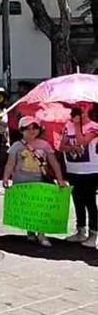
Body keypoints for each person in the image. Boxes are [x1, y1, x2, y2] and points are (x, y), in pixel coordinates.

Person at [2, 116, 66, 247]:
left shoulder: (44, 145)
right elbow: (10, 163)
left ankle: (41, 234)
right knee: (28, 207)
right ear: (21, 130)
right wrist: (5, 177)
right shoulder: (16, 146)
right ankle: (30, 231)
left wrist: (60, 179)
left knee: (41, 207)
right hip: (21, 182)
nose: (31, 131)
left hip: (40, 181)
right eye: (27, 128)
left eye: (34, 127)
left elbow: (54, 162)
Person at [62, 105, 98, 246]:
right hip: (73, 169)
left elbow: (83, 141)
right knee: (78, 200)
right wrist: (71, 147)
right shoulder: (67, 126)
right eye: (75, 111)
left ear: (88, 110)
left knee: (90, 201)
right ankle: (80, 230)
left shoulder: (94, 126)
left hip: (90, 171)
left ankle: (94, 233)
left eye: (81, 111)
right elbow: (62, 146)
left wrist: (77, 125)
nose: (78, 113)